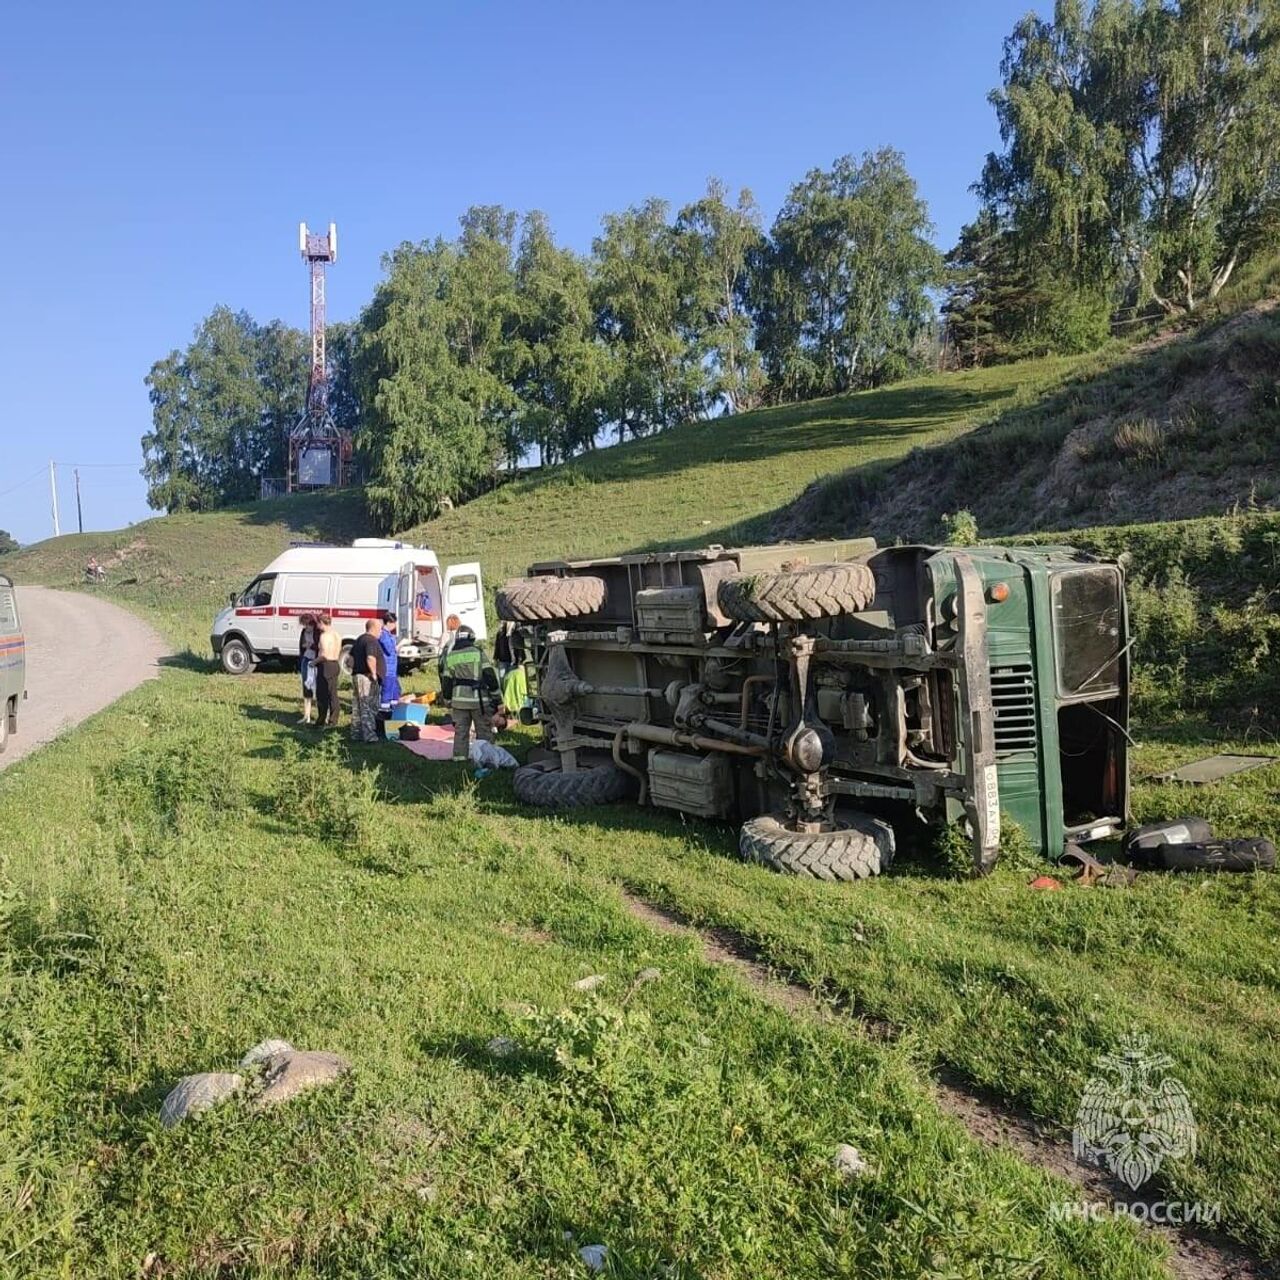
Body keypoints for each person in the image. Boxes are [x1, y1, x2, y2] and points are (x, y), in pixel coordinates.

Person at [440, 624, 499, 762]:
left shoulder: (451, 656)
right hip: (479, 701)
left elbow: (446, 681)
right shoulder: (478, 653)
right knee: (483, 731)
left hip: (459, 702)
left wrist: (447, 700)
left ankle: (460, 760)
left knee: (461, 732)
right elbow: (489, 675)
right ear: (471, 638)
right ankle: (486, 759)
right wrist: (497, 697)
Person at [349, 617, 383, 743]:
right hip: (366, 677)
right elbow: (370, 658)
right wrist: (374, 674)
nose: (381, 632)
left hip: (357, 675)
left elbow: (349, 660)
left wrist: (355, 669)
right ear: (374, 628)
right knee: (367, 705)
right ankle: (369, 736)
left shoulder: (359, 639)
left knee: (358, 706)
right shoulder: (371, 641)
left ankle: (356, 733)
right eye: (380, 629)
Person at [315, 615, 342, 728]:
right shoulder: (337, 635)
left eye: (318, 623)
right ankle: (333, 718)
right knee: (333, 693)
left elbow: (324, 654)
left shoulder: (324, 636)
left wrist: (314, 662)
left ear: (322, 622)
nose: (317, 625)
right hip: (335, 663)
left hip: (326, 665)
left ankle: (322, 719)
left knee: (322, 694)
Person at [298, 613, 319, 724]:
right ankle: (306, 715)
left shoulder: (318, 632)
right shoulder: (303, 632)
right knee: (306, 686)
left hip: (316, 661)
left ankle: (321, 716)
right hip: (306, 659)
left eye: (307, 624)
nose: (305, 627)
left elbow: (320, 647)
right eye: (304, 625)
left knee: (318, 688)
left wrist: (310, 645)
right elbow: (301, 645)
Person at [378, 611, 402, 707]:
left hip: (392, 669)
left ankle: (393, 709)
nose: (395, 625)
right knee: (387, 693)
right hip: (387, 669)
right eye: (394, 623)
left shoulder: (389, 635)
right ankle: (384, 712)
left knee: (395, 692)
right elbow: (390, 650)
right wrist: (401, 644)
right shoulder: (383, 635)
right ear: (388, 623)